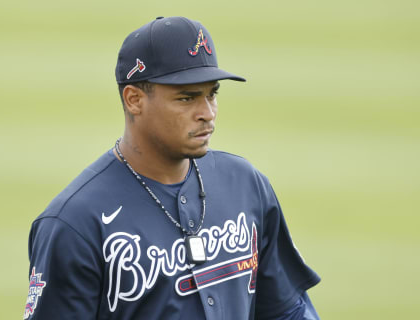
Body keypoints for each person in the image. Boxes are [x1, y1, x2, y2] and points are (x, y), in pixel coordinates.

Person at [24, 16, 321, 320]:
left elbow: (288, 311)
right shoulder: (74, 223)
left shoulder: (246, 185)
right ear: (134, 99)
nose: (207, 113)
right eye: (187, 98)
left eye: (212, 94)